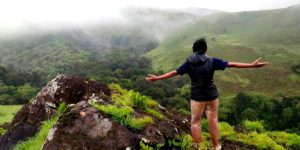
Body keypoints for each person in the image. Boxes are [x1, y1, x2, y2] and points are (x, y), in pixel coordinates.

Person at [145, 38, 269, 150]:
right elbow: (232, 64)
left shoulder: (189, 63)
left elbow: (174, 72)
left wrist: (157, 78)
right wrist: (252, 65)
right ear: (205, 49)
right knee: (213, 120)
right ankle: (216, 146)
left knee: (195, 122)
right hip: (212, 96)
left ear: (194, 50)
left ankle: (198, 147)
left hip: (197, 98)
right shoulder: (212, 61)